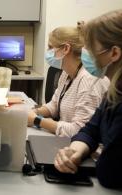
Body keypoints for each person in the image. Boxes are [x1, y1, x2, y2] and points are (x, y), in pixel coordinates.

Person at [54, 9, 122, 188]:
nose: (85, 53)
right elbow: (90, 130)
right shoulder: (114, 91)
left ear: (114, 53)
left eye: (90, 47)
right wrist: (74, 151)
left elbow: (110, 173)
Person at [28, 26, 109, 137]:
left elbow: (81, 130)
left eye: (50, 47)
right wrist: (34, 112)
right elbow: (54, 105)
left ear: (66, 49)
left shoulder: (88, 80)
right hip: (64, 139)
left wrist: (37, 121)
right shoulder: (66, 73)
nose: (48, 52)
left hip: (84, 148)